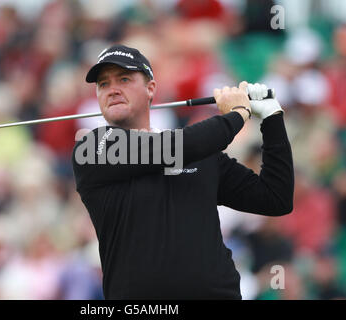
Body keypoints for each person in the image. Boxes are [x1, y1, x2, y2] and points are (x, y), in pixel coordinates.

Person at [71, 44, 294, 299]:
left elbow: (276, 198)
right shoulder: (92, 148)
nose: (113, 90)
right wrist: (239, 113)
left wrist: (273, 119)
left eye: (123, 79)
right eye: (103, 84)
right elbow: (173, 148)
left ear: (150, 89)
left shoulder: (199, 154)